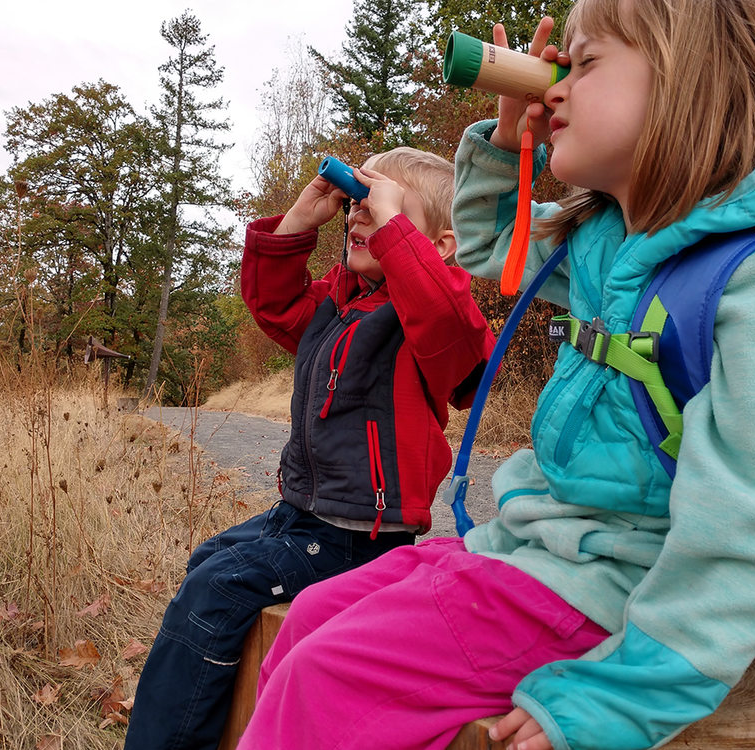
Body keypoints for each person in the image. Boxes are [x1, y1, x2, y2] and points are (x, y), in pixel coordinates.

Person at [237, 1, 755, 749]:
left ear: (692, 88)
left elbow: (752, 532)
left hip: (619, 583)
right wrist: (508, 145)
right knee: (312, 616)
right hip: (539, 547)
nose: (555, 87)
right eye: (558, 64)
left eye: (586, 63)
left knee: (329, 676)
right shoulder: (615, 242)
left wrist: (626, 697)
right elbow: (488, 248)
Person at [124, 147, 494, 750]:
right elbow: (276, 307)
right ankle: (231, 723)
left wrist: (395, 231)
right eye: (355, 204)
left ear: (440, 245)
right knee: (209, 561)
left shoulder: (424, 320)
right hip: (298, 516)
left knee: (216, 592)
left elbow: (458, 336)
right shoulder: (338, 303)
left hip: (360, 537)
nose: (358, 216)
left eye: (379, 207)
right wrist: (299, 222)